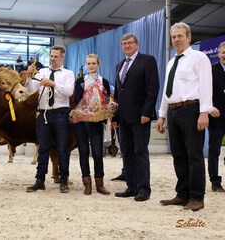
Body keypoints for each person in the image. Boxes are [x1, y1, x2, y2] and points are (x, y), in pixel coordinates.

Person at [156, 22, 212, 211]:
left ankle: (197, 197)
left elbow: (205, 85)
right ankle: (182, 194)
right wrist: (162, 114)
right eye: (173, 37)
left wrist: (204, 112)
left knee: (194, 155)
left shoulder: (199, 58)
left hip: (191, 110)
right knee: (178, 155)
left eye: (180, 36)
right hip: (173, 111)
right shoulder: (172, 62)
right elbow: (167, 90)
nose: (176, 40)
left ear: (189, 37)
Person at [112, 33, 159, 202]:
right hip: (123, 117)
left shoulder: (148, 60)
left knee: (140, 152)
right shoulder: (119, 65)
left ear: (137, 44)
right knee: (127, 152)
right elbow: (118, 92)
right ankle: (131, 186)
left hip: (140, 117)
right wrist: (115, 116)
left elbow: (153, 89)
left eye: (130, 43)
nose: (127, 46)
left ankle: (144, 189)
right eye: (124, 43)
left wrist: (147, 112)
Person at [25, 45, 75, 193]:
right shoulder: (42, 72)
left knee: (62, 149)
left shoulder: (68, 73)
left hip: (61, 114)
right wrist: (29, 76)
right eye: (51, 56)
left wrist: (53, 83)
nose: (52, 59)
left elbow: (68, 92)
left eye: (56, 56)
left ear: (62, 57)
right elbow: (31, 89)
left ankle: (63, 180)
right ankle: (40, 180)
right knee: (43, 148)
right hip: (44, 114)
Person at [73, 54, 111, 195]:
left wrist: (102, 108)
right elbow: (77, 98)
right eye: (88, 63)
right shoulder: (80, 81)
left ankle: (99, 184)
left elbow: (107, 99)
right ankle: (87, 184)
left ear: (98, 64)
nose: (91, 66)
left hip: (96, 120)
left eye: (94, 63)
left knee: (97, 153)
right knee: (83, 152)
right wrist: (86, 108)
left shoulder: (104, 81)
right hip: (81, 121)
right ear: (85, 65)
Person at [207, 41, 225, 193]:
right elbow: (204, 92)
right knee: (214, 151)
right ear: (218, 54)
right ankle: (215, 181)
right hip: (217, 116)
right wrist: (209, 106)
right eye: (223, 52)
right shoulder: (211, 70)